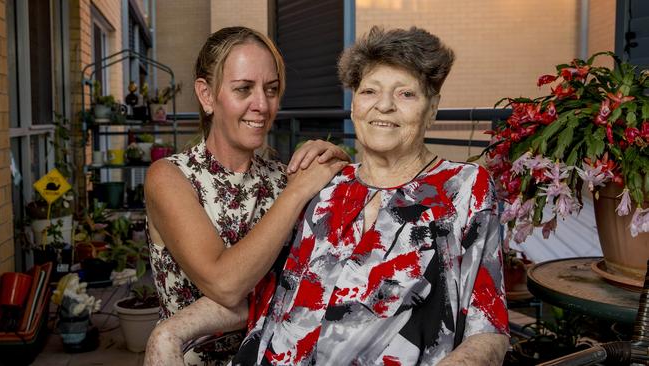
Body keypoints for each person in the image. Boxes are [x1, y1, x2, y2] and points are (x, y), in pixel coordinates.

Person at [146, 26, 509, 366]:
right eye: (369, 91)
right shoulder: (320, 188)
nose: (383, 106)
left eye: (406, 93)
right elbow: (259, 291)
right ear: (353, 107)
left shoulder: (463, 189)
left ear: (432, 108)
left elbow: (488, 329)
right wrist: (169, 331)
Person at [144, 26, 349, 365]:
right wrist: (297, 191)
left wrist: (336, 161)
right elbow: (225, 284)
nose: (262, 105)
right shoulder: (170, 177)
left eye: (271, 89)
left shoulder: (283, 177)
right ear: (207, 95)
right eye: (243, 89)